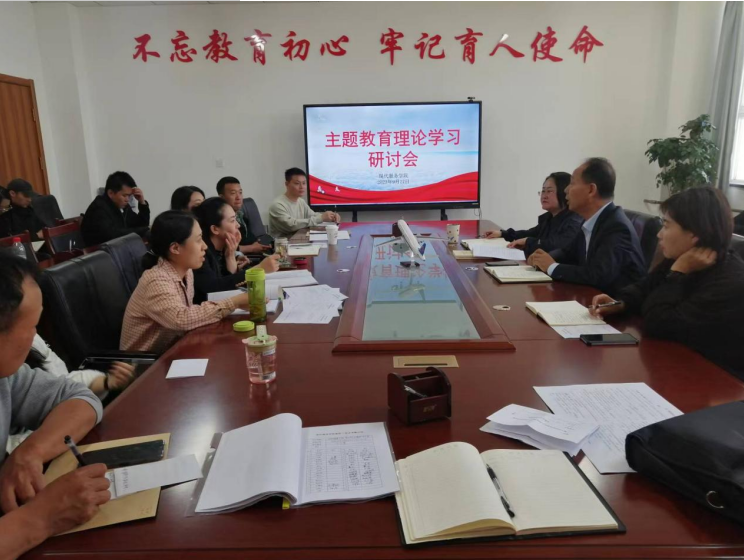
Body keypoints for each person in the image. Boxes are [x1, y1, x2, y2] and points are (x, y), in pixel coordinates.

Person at [0, 254, 110, 557]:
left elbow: (80, 399)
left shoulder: (6, 377)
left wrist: (30, 453)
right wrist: (40, 519)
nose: (35, 337)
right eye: (33, 326)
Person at [591, 187, 744, 380]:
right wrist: (621, 303)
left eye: (667, 226)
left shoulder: (729, 282)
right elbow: (644, 288)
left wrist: (677, 273)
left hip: (716, 382)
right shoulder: (682, 257)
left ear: (694, 234)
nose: (659, 234)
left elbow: (658, 323)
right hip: (678, 365)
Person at [120, 211, 252, 354]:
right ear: (175, 248)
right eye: (198, 240)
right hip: (146, 363)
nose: (204, 246)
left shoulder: (187, 272)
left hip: (175, 349)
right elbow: (181, 319)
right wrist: (234, 302)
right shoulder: (156, 280)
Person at [527, 158, 646, 296]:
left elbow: (598, 275)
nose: (566, 190)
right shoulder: (591, 220)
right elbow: (568, 253)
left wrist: (552, 267)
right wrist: (543, 258)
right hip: (588, 298)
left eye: (572, 183)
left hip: (613, 305)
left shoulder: (617, 227)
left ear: (591, 190)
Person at [7, 336, 135, 453]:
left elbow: (65, 386)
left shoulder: (32, 344)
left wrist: (106, 382)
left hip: (51, 441)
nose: (34, 332)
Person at [192, 197, 280, 303]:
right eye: (232, 220)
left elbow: (229, 284)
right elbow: (214, 289)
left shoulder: (223, 248)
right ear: (215, 229)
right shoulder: (201, 252)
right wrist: (259, 269)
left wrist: (230, 256)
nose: (238, 225)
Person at [482, 172, 582, 257]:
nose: (544, 196)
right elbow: (530, 233)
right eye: (543, 191)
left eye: (549, 191)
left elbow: (557, 244)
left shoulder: (574, 222)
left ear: (564, 192)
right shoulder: (549, 218)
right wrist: (503, 234)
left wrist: (528, 241)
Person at [81, 171, 150, 246]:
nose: (127, 199)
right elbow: (112, 235)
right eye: (124, 195)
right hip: (98, 251)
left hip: (117, 247)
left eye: (129, 196)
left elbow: (141, 224)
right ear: (111, 193)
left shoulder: (122, 205)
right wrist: (144, 230)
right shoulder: (98, 208)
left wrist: (142, 202)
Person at [268, 168, 340, 237]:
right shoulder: (277, 205)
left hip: (300, 241)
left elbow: (312, 216)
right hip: (284, 244)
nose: (302, 187)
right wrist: (321, 218)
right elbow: (291, 225)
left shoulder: (300, 201)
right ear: (287, 184)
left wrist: (330, 216)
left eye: (304, 183)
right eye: (297, 183)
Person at [216, 176, 271, 255]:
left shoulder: (242, 217)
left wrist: (261, 245)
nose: (238, 197)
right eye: (233, 193)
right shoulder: (220, 221)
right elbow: (225, 248)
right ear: (221, 197)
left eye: (240, 192)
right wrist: (252, 248)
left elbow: (252, 240)